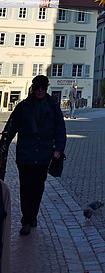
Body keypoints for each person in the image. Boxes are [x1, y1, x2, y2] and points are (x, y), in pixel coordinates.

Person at [0, 74, 66, 236]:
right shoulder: (23, 107)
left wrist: (58, 148)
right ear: (33, 88)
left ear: (47, 88)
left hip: (44, 154)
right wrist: (3, 146)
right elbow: (11, 127)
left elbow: (60, 128)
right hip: (26, 154)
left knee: (38, 187)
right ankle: (26, 220)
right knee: (26, 187)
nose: (40, 90)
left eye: (43, 87)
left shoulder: (53, 106)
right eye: (37, 87)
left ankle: (33, 215)